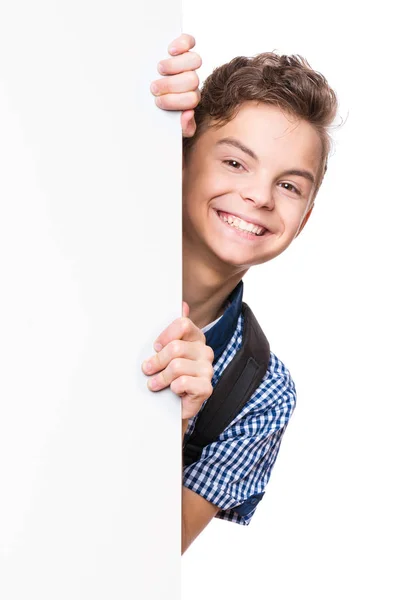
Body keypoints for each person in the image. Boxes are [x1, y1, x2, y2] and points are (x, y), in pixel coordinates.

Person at [142, 34, 338, 554]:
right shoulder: (69, 255)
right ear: (181, 156)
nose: (258, 196)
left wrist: (166, 425)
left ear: (305, 218)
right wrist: (136, 94)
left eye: (290, 186)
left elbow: (149, 557)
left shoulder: (263, 393)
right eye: (235, 162)